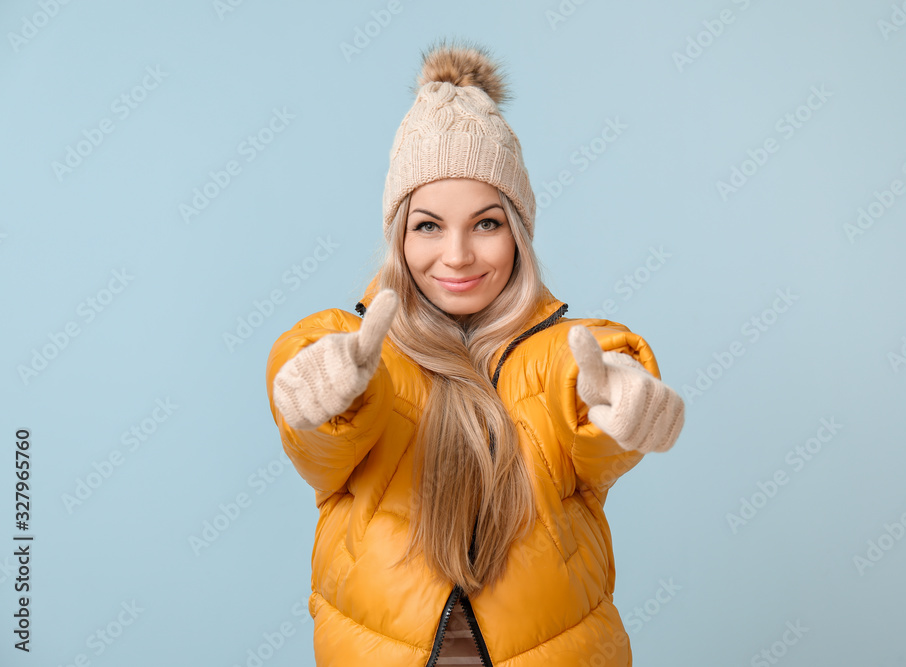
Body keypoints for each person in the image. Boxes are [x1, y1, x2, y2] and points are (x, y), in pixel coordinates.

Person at [265, 38, 685, 667]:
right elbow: (320, 436)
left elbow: (593, 393)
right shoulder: (354, 348)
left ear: (518, 232)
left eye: (486, 223)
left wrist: (622, 409)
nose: (457, 255)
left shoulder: (568, 352)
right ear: (398, 235)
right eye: (428, 225)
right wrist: (323, 397)